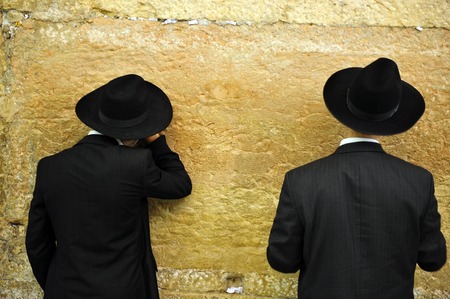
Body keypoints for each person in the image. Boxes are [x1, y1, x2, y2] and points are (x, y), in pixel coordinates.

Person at [267, 58, 446, 299]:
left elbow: (282, 261)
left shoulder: (299, 181)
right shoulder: (419, 181)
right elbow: (432, 260)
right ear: (392, 116)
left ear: (344, 110)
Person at [26, 74, 192, 299]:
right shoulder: (136, 163)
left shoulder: (49, 167)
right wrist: (157, 141)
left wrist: (57, 286)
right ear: (137, 134)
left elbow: (37, 243)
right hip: (123, 291)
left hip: (64, 289)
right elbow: (181, 184)